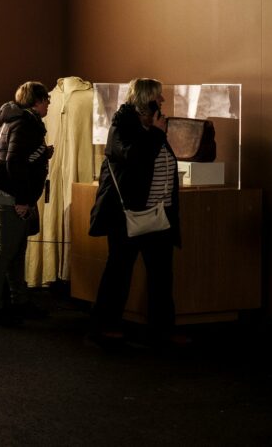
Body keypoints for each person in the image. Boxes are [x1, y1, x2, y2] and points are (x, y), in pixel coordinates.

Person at [89, 78, 184, 347]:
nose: (162, 101)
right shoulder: (123, 127)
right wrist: (155, 133)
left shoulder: (151, 127)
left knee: (162, 275)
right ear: (146, 98)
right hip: (127, 215)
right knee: (119, 270)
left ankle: (162, 328)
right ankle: (104, 325)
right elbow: (134, 158)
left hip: (159, 214)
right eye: (158, 96)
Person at [0, 82, 53, 325]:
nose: (49, 104)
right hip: (11, 194)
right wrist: (23, 199)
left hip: (5, 191)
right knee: (5, 250)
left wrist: (42, 154)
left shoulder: (12, 120)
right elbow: (15, 163)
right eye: (46, 100)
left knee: (15, 249)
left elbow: (17, 157)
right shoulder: (25, 123)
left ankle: (18, 301)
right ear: (37, 100)